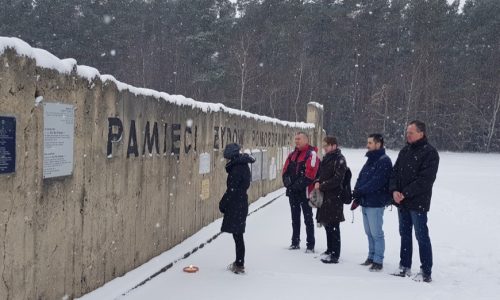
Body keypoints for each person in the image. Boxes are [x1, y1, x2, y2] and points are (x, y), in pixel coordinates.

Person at [389, 120, 439, 283]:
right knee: (404, 234)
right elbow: (394, 172)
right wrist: (395, 190)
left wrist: (405, 193)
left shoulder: (430, 153)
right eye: (407, 132)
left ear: (421, 133)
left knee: (421, 236)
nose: (407, 135)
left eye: (411, 132)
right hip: (402, 202)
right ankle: (404, 266)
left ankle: (426, 271)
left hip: (418, 202)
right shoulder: (405, 151)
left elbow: (425, 180)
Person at [352, 133, 392, 271]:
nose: (367, 145)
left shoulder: (384, 160)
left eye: (370, 143)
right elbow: (362, 177)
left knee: (377, 233)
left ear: (378, 144)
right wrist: (357, 191)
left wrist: (361, 190)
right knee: (369, 233)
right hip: (365, 201)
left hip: (376, 202)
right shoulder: (370, 160)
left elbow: (377, 182)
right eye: (367, 142)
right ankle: (371, 256)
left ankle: (378, 260)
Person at [219, 143, 255, 274]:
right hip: (239, 203)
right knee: (237, 234)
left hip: (237, 204)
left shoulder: (237, 169)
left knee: (238, 235)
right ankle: (239, 262)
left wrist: (223, 203)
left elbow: (232, 190)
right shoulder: (241, 166)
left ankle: (239, 263)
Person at [282, 132, 320, 252]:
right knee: (295, 218)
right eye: (295, 139)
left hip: (305, 193)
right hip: (293, 192)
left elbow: (310, 175)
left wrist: (295, 186)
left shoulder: (311, 154)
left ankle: (310, 245)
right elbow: (285, 171)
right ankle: (295, 242)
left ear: (306, 140)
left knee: (308, 219)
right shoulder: (292, 155)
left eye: (299, 139)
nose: (296, 141)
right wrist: (287, 183)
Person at [314, 136, 347, 264]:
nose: (324, 148)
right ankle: (329, 249)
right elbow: (320, 174)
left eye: (326, 145)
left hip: (334, 198)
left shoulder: (339, 159)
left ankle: (335, 254)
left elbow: (338, 179)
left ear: (334, 145)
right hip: (325, 197)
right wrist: (318, 181)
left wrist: (322, 185)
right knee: (327, 224)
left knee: (334, 226)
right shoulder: (326, 158)